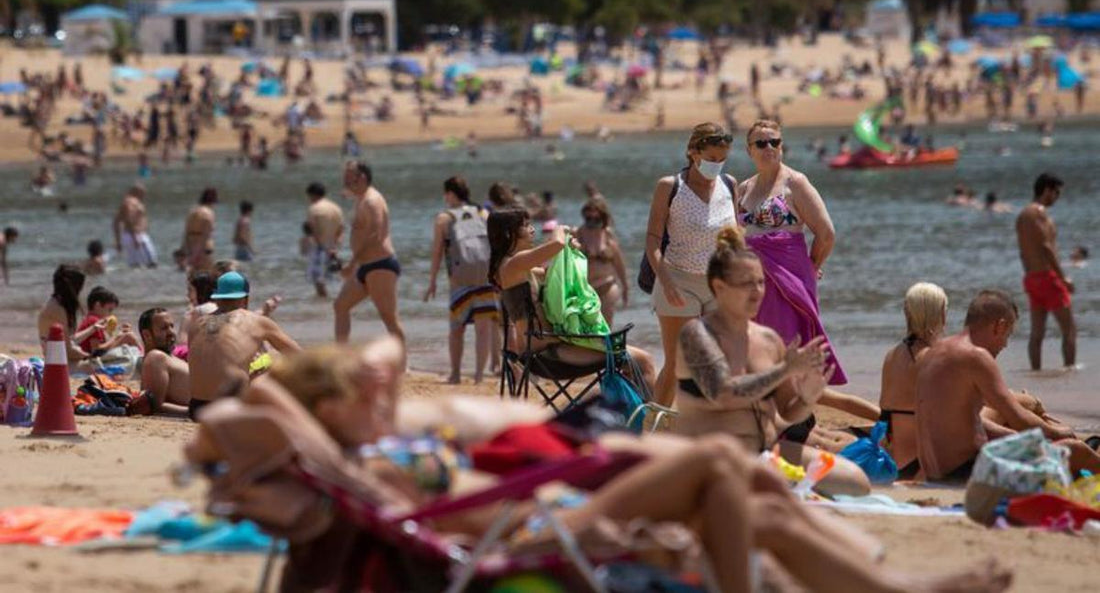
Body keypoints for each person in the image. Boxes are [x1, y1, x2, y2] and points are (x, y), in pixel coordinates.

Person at [186, 339, 1012, 593]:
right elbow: (225, 418)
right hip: (523, 535)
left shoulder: (363, 453)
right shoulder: (358, 459)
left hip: (533, 519)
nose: (379, 391)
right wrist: (309, 411)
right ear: (322, 409)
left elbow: (373, 364)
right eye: (352, 392)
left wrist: (333, 410)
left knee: (756, 510)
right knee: (721, 475)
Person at [675, 226, 870, 496]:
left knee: (856, 482)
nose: (757, 292)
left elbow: (788, 413)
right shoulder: (697, 334)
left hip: (765, 450)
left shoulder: (768, 339)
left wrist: (807, 398)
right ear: (719, 287)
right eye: (746, 284)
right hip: (711, 454)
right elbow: (723, 393)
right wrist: (785, 370)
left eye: (761, 282)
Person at [915, 290, 1100, 481]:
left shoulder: (934, 352)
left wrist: (1019, 437)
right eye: (1008, 335)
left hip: (934, 474)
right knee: (1075, 450)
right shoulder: (976, 357)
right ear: (999, 326)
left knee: (1048, 448)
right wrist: (1059, 432)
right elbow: (1020, 419)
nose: (1005, 345)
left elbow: (961, 422)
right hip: (966, 474)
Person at [489, 207, 658, 390]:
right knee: (644, 361)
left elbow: (552, 274)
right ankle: (648, 417)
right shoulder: (514, 263)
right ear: (509, 233)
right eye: (525, 225)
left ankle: (631, 414)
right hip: (547, 354)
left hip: (552, 347)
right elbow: (557, 244)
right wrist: (560, 230)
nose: (532, 229)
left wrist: (567, 253)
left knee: (635, 362)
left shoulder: (516, 267)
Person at [736, 119, 846, 386]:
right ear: (749, 150)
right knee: (757, 347)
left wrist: (812, 265)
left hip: (789, 278)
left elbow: (826, 233)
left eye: (775, 142)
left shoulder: (795, 182)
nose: (769, 147)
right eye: (761, 143)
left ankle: (793, 416)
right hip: (753, 280)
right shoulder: (743, 189)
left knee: (788, 345)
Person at [644, 122, 737, 406]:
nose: (716, 165)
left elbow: (736, 237)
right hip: (678, 279)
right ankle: (653, 426)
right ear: (693, 152)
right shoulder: (670, 186)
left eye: (722, 160)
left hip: (718, 283)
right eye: (710, 159)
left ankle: (706, 423)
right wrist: (667, 280)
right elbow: (652, 241)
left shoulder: (729, 184)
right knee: (677, 363)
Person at [187, 272, 301, 421]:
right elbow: (299, 355)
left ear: (217, 298)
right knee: (274, 356)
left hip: (197, 409)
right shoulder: (257, 321)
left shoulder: (197, 324)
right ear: (246, 298)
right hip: (231, 408)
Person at [424, 176, 498, 384]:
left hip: (460, 281)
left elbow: (437, 253)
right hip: (485, 278)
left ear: (449, 194)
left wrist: (432, 281)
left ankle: (456, 374)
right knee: (483, 329)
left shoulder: (444, 219)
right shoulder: (483, 213)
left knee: (457, 329)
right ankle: (479, 376)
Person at [879, 282, 947, 479]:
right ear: (942, 314)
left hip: (896, 460)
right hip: (926, 463)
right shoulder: (935, 358)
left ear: (906, 313)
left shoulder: (891, 355)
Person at [333, 161, 405, 348]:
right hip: (365, 266)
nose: (345, 181)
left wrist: (352, 263)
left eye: (350, 177)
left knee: (389, 317)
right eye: (345, 177)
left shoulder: (372, 200)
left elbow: (376, 235)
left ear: (362, 178)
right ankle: (341, 357)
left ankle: (403, 364)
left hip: (380, 264)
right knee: (340, 305)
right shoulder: (361, 198)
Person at [1015, 173, 1075, 370]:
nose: (1057, 197)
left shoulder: (1022, 215)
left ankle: (1035, 373)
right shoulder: (1039, 213)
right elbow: (1046, 247)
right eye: (1056, 193)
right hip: (1048, 278)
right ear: (1047, 190)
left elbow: (1023, 253)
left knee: (1037, 333)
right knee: (1069, 330)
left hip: (1031, 278)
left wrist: (1031, 274)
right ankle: (1070, 370)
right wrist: (1063, 277)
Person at [575, 198, 628, 326]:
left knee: (606, 325)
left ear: (602, 217)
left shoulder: (608, 235)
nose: (592, 222)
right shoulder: (578, 234)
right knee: (587, 326)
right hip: (586, 289)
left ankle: (606, 345)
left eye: (596, 219)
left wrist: (626, 287)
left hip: (607, 286)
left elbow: (619, 263)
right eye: (589, 219)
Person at [137, 307, 191, 415]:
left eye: (172, 326)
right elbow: (155, 406)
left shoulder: (166, 358)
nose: (172, 332)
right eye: (164, 328)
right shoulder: (156, 357)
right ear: (147, 335)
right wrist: (195, 411)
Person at [36, 265, 91, 366]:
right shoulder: (58, 310)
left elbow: (69, 339)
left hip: (56, 358)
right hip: (57, 364)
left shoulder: (55, 303)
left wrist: (93, 329)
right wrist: (90, 356)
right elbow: (68, 351)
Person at [305, 182, 345, 298]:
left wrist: (319, 244)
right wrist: (335, 246)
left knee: (318, 279)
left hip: (320, 247)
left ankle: (322, 302)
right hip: (333, 247)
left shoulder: (314, 208)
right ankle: (325, 303)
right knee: (328, 278)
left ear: (312, 195)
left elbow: (313, 229)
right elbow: (341, 228)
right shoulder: (336, 208)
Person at [75, 286, 142, 356]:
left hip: (93, 355)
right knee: (128, 336)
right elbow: (96, 349)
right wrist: (116, 338)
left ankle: (142, 356)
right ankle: (143, 357)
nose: (110, 314)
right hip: (92, 358)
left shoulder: (90, 319)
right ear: (97, 305)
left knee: (125, 336)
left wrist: (117, 336)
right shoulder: (93, 321)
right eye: (109, 310)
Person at [113, 183, 158, 268]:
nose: (144, 196)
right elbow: (129, 218)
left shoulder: (126, 202)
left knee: (135, 266)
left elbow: (115, 223)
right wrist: (134, 236)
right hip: (137, 236)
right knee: (152, 264)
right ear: (138, 192)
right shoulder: (132, 202)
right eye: (143, 193)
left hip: (131, 236)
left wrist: (118, 241)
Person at [182, 187, 218, 273]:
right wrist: (196, 254)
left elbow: (186, 233)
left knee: (194, 279)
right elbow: (205, 236)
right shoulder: (209, 214)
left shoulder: (192, 211)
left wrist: (185, 251)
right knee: (207, 277)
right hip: (204, 249)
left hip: (190, 246)